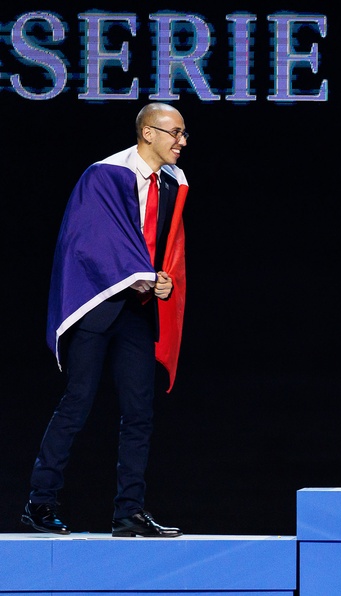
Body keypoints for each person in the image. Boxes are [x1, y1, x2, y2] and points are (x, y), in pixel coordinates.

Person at [21, 102, 191, 537]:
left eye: (184, 133)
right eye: (175, 133)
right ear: (147, 133)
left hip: (136, 312)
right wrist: (138, 275)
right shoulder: (105, 173)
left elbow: (160, 244)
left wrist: (162, 281)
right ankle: (39, 504)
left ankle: (128, 512)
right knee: (77, 402)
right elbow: (88, 240)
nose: (182, 141)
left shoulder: (172, 182)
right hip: (97, 304)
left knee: (139, 411)